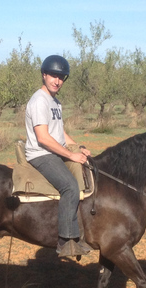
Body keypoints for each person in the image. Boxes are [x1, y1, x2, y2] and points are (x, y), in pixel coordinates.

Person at [25, 55, 92, 257]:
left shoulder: (55, 101)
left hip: (54, 150)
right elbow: (44, 138)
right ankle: (66, 241)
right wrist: (71, 156)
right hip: (42, 154)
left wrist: (76, 146)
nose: (57, 81)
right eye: (53, 75)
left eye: (61, 77)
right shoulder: (39, 101)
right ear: (44, 75)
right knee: (70, 187)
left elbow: (59, 132)